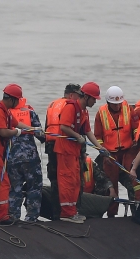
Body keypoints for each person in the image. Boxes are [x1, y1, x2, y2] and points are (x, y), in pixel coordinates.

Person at [54, 82, 109, 224]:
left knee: (76, 181)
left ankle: (72, 211)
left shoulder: (84, 111)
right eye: (94, 99)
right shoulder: (71, 107)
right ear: (86, 96)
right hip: (65, 151)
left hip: (75, 152)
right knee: (67, 181)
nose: (95, 101)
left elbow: (88, 131)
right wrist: (77, 136)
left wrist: (99, 147)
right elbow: (64, 126)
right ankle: (66, 213)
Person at [0, 84, 33, 224]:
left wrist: (33, 129)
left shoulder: (5, 111)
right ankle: (1, 216)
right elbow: (3, 132)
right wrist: (17, 133)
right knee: (2, 183)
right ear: (13, 99)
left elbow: (17, 124)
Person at [94, 86, 138, 217]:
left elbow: (136, 128)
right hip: (110, 156)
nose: (118, 106)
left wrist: (135, 138)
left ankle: (136, 213)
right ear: (108, 102)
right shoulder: (101, 113)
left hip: (127, 153)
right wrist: (103, 151)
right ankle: (111, 214)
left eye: (119, 103)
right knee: (112, 187)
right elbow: (97, 136)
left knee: (133, 184)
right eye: (114, 104)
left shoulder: (128, 109)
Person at [44, 83, 82, 215]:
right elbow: (72, 128)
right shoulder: (71, 106)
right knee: (72, 179)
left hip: (51, 146)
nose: (80, 98)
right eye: (79, 95)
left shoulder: (52, 105)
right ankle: (72, 211)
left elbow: (46, 129)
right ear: (71, 95)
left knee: (55, 180)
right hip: (66, 145)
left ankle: (56, 213)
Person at [7, 98, 45, 222]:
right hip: (30, 158)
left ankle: (13, 216)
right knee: (34, 187)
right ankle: (31, 217)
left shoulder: (5, 113)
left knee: (14, 189)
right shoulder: (30, 112)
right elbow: (40, 135)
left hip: (12, 158)